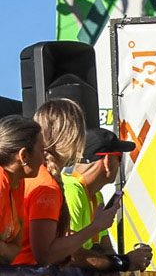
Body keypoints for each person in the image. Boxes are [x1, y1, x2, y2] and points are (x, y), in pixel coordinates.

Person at [14, 100, 118, 267]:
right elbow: (46, 255)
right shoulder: (46, 185)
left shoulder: (36, 177)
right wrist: (95, 227)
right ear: (73, 136)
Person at [62, 128, 152, 272]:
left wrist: (112, 268)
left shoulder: (96, 196)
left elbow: (106, 250)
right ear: (107, 161)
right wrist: (123, 262)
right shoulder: (71, 191)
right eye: (120, 158)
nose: (120, 165)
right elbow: (70, 255)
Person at [0, 115, 44, 263]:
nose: (44, 159)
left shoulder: (18, 183)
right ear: (23, 155)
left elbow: (16, 249)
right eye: (42, 150)